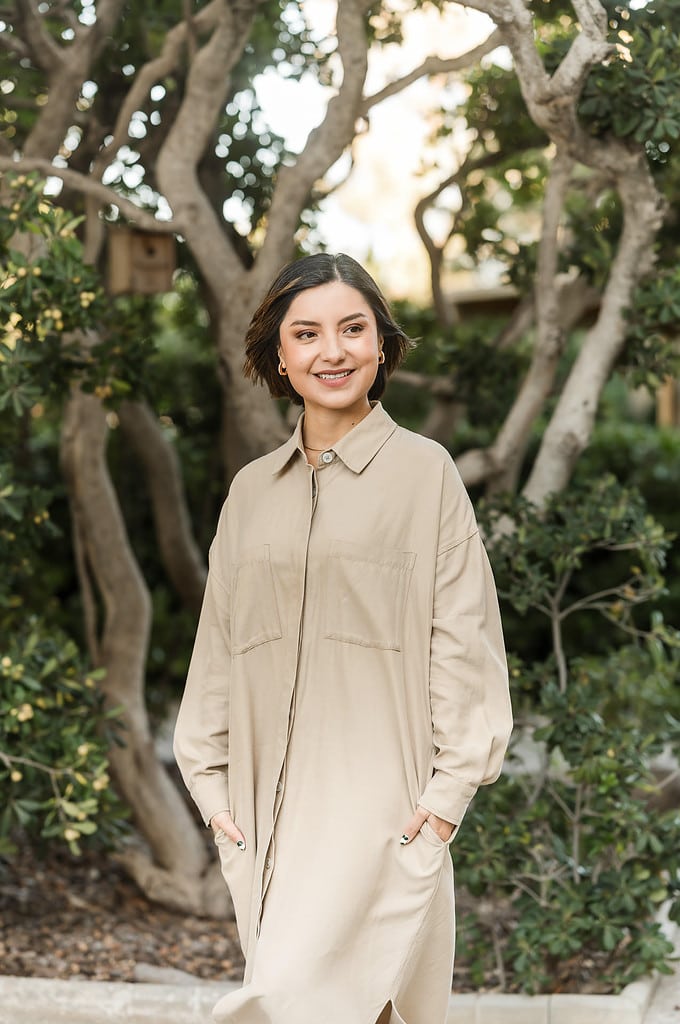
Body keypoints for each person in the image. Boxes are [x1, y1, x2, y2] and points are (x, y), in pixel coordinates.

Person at [173, 253, 512, 1024]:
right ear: (280, 357)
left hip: (383, 814)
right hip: (261, 817)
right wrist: (212, 787)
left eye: (353, 328)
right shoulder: (251, 493)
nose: (334, 351)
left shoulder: (427, 476)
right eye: (308, 334)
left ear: (382, 346)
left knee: (297, 1007)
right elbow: (219, 646)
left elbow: (463, 641)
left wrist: (446, 799)